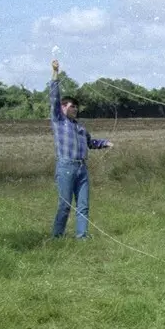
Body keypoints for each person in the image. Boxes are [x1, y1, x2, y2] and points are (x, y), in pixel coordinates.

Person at [48, 58, 111, 239]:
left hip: (82, 168)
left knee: (83, 205)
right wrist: (55, 72)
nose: (75, 109)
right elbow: (53, 97)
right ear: (62, 107)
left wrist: (105, 143)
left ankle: (82, 236)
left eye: (76, 107)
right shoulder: (59, 121)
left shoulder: (80, 127)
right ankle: (57, 236)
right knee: (65, 204)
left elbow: (91, 143)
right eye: (71, 106)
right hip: (66, 167)